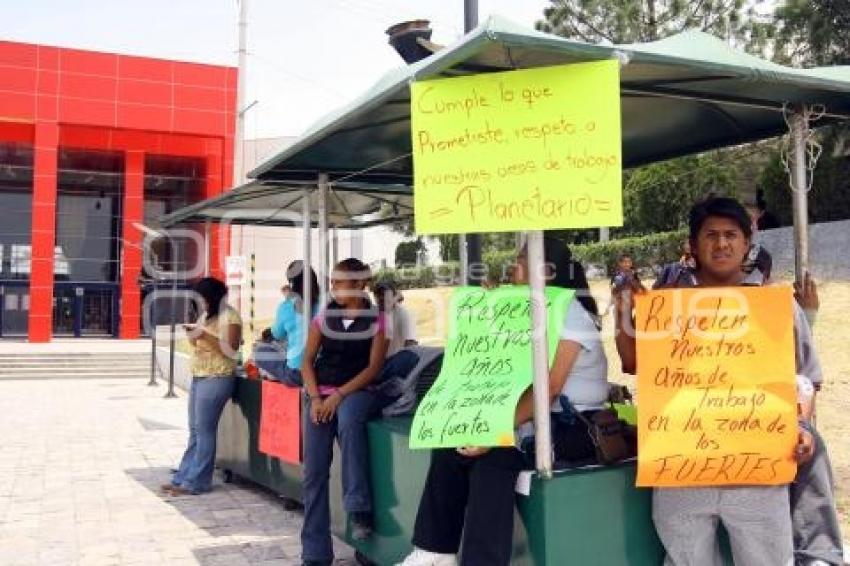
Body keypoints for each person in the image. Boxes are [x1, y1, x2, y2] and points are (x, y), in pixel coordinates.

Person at [614, 197, 841, 565]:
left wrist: (799, 425)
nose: (722, 244)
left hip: (757, 473)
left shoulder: (776, 305)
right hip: (681, 472)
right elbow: (633, 362)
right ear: (693, 244)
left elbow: (805, 380)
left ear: (747, 243)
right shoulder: (668, 305)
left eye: (731, 235)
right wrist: (624, 311)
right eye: (711, 235)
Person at [398, 238, 610, 566]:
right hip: (536, 419)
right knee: (452, 440)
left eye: (521, 260)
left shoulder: (568, 312)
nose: (512, 267)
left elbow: (550, 388)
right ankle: (434, 551)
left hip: (575, 424)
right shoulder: (528, 307)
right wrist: (489, 310)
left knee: (494, 453)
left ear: (548, 270)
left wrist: (491, 430)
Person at [300, 258, 390, 566]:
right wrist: (315, 398)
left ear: (359, 285)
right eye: (333, 282)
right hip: (319, 395)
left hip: (358, 391)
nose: (334, 288)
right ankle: (314, 553)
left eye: (341, 282)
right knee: (314, 473)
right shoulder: (324, 317)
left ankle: (358, 507)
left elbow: (374, 367)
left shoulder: (377, 320)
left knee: (350, 418)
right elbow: (306, 361)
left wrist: (338, 395)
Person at [163, 277, 242, 496]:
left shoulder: (230, 317)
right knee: (195, 430)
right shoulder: (207, 316)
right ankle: (183, 477)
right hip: (199, 374)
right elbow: (198, 344)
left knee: (205, 431)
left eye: (203, 299)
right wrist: (193, 335)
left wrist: (205, 335)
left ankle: (197, 481)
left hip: (217, 377)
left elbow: (231, 350)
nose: (201, 304)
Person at [254, 261, 320, 387]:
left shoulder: (287, 306)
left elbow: (277, 334)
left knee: (260, 351)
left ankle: (278, 375)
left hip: (298, 374)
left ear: (291, 283)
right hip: (321, 372)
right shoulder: (325, 303)